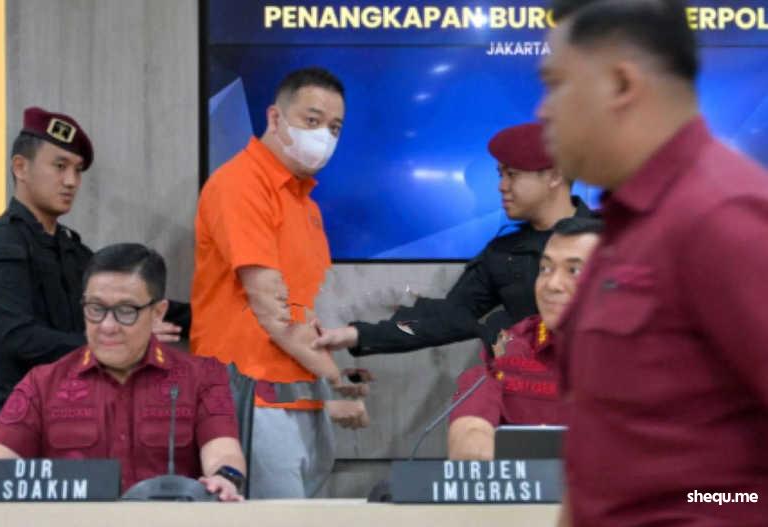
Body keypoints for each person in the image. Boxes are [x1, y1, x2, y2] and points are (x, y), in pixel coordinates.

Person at [538, 1, 768, 525]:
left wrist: (717, 507)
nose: (543, 111)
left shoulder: (725, 217)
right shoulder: (626, 229)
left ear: (621, 85)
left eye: (556, 85)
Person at [191, 67, 369, 499]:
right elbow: (272, 311)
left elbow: (310, 308)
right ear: (275, 118)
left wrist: (331, 384)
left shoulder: (306, 204)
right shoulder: (240, 184)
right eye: (312, 120)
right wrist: (338, 381)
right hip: (253, 397)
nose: (324, 135)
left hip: (305, 398)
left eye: (334, 128)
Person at [0, 108, 189, 452]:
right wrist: (116, 343)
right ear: (20, 168)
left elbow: (127, 300)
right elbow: (18, 337)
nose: (71, 181)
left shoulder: (72, 250)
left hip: (71, 421)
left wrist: (205, 316)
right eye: (60, 166)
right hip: (12, 426)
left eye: (77, 170)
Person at [0, 244, 246, 500]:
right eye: (96, 309)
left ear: (158, 313)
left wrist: (224, 479)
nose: (107, 326)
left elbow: (223, 451)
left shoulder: (202, 377)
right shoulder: (42, 383)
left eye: (125, 311)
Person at [313, 122, 593, 356]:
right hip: (533, 396)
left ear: (554, 176)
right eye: (500, 175)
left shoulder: (609, 243)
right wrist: (356, 334)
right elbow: (447, 318)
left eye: (512, 175)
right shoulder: (504, 253)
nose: (501, 186)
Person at [446, 217, 601, 460]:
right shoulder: (514, 349)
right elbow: (469, 438)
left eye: (574, 270)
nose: (552, 284)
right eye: (545, 269)